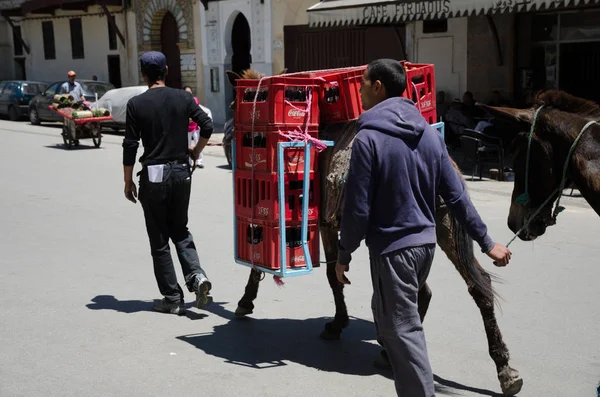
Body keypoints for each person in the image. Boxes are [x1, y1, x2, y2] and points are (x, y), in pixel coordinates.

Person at [335, 59, 512, 397]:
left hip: (393, 251)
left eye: (362, 83)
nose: (358, 90)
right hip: (424, 248)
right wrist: (487, 242)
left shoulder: (368, 139)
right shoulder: (429, 135)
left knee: (402, 332)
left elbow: (357, 209)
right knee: (388, 321)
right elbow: (457, 195)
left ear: (378, 87)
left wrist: (343, 255)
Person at [122, 51, 214, 315]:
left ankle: (172, 298)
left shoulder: (136, 104)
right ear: (166, 70)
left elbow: (130, 145)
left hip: (154, 175)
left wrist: (128, 181)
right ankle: (196, 277)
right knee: (181, 230)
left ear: (143, 73)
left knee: (160, 239)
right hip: (182, 173)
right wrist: (195, 152)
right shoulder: (183, 97)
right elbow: (206, 125)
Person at [184, 85, 204, 169]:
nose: (189, 93)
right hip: (186, 127)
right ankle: (189, 162)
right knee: (187, 145)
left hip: (195, 126)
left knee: (198, 143)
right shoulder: (182, 101)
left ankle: (199, 161)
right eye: (187, 92)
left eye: (190, 92)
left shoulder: (195, 100)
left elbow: (198, 111)